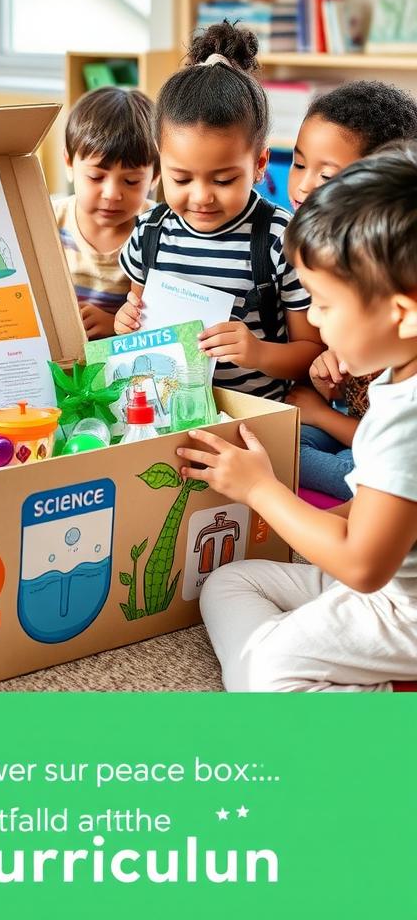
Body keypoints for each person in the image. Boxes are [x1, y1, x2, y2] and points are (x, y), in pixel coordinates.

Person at [183, 142, 417, 691]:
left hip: (402, 609)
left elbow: (363, 565)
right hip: (388, 583)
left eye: (325, 304)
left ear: (402, 314)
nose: (311, 319)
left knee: (271, 670)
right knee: (229, 581)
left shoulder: (408, 419)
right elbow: (381, 512)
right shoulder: (397, 372)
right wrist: (308, 523)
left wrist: (261, 490)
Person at [114, 22, 321, 400]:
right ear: (161, 165)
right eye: (181, 179)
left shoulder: (280, 238)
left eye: (223, 180)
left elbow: (311, 355)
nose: (202, 197)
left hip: (252, 414)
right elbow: (137, 323)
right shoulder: (150, 232)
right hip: (165, 410)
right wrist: (125, 323)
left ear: (260, 164)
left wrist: (257, 352)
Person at [284, 81, 417, 499]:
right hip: (355, 425)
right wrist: (331, 381)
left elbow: (388, 434)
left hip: (377, 447)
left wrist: (323, 414)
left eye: (325, 175)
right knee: (286, 440)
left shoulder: (388, 288)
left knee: (292, 456)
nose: (304, 187)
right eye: (298, 164)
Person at [54, 86, 157, 341]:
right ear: (69, 164)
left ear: (155, 176)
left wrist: (114, 325)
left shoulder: (157, 230)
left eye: (131, 181)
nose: (112, 194)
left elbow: (162, 318)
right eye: (96, 176)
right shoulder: (50, 221)